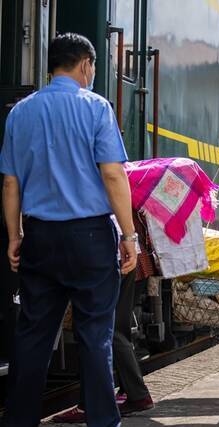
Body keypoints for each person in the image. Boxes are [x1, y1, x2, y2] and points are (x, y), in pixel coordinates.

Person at [0, 33, 137, 427]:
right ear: (85, 65)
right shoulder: (96, 107)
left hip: (39, 237)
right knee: (96, 336)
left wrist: (15, 235)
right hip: (90, 238)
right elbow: (112, 174)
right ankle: (102, 421)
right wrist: (129, 236)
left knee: (33, 337)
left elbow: (10, 183)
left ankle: (19, 420)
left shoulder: (19, 113)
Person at [52, 270, 155, 423]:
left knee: (95, 327)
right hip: (135, 262)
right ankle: (135, 394)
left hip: (110, 261)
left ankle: (90, 405)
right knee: (116, 328)